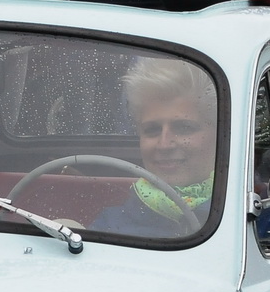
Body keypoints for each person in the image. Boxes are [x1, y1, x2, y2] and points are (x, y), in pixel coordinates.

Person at [90, 60, 217, 236]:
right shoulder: (109, 226)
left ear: (220, 135)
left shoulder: (251, 218)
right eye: (152, 130)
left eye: (184, 128)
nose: (164, 144)